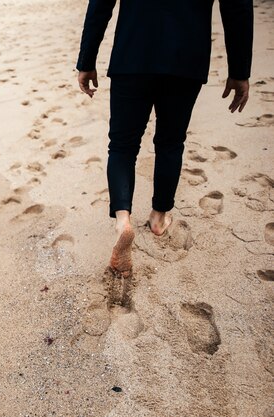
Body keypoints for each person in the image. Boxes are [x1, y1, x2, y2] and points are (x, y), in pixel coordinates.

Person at [76, 0, 253, 276]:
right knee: (171, 142)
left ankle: (123, 221)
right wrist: (239, 70)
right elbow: (237, 6)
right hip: (186, 58)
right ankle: (159, 218)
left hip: (132, 53)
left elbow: (100, 3)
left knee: (122, 146)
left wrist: (86, 61)